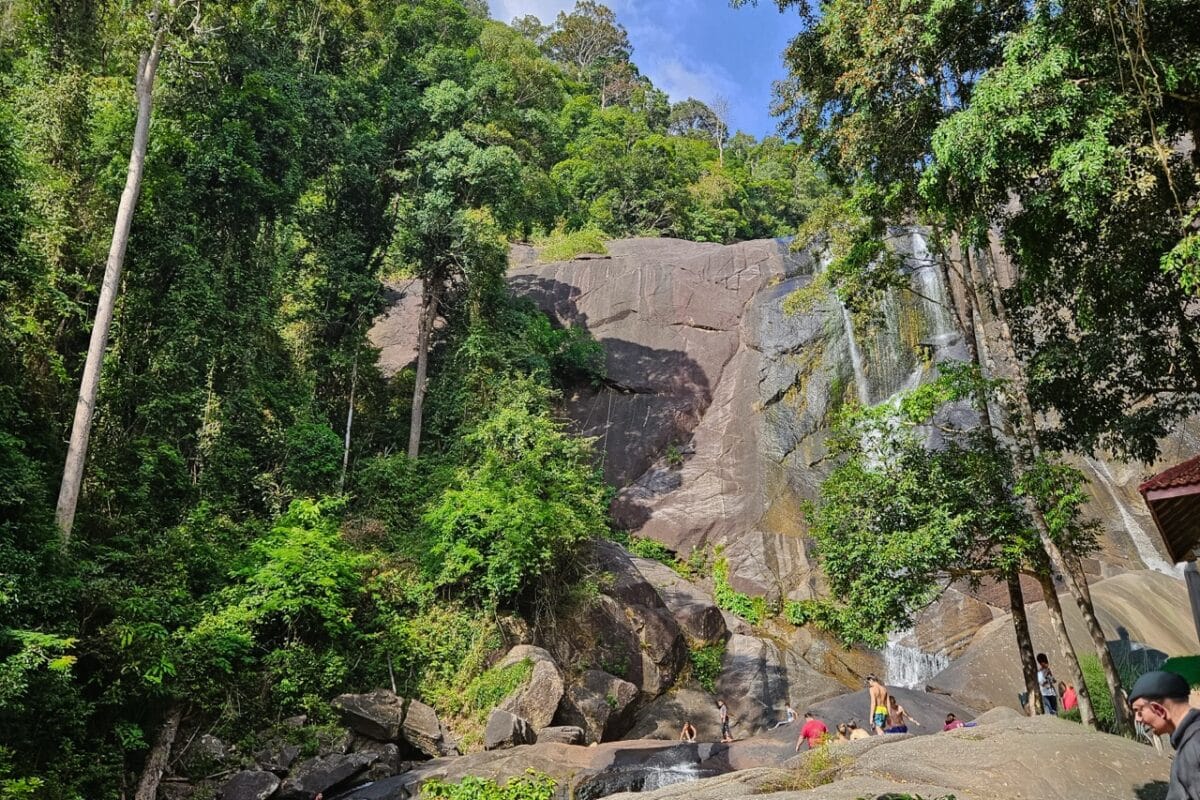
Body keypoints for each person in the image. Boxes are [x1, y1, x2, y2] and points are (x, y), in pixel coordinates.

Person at [1129, 670, 1199, 800]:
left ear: (1159, 710)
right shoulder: (1190, 740)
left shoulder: (1193, 747)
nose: (1138, 719)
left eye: (1139, 710)